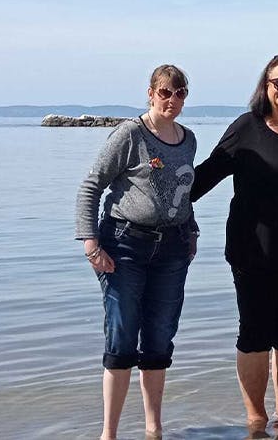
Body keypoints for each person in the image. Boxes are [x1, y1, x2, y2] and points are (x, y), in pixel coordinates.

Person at [190, 55, 278, 438]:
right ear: (265, 86)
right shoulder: (246, 128)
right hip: (253, 251)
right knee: (254, 334)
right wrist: (158, 202)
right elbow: (203, 178)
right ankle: (256, 417)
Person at [75, 64, 197, 440]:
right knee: (123, 335)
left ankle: (153, 428)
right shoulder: (130, 134)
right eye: (165, 92)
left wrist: (191, 231)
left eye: (179, 94)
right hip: (124, 245)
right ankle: (109, 433)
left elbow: (183, 192)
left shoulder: (188, 138)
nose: (172, 101)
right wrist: (90, 242)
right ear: (150, 93)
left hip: (173, 249)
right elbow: (91, 186)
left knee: (160, 336)